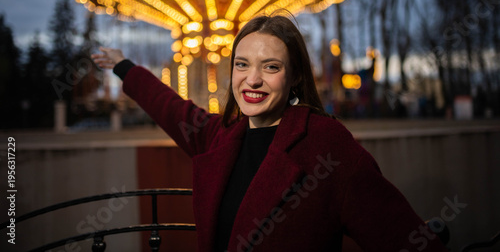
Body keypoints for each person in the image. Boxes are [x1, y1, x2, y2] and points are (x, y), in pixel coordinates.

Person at [92, 14, 447, 252]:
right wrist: (124, 67)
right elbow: (170, 108)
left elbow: (396, 234)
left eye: (271, 67)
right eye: (242, 65)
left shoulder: (325, 145)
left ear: (294, 77)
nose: (253, 79)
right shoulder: (223, 136)